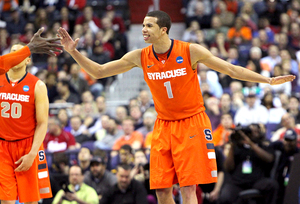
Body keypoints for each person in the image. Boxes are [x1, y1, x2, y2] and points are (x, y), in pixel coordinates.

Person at [58, 10, 295, 204]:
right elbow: (99, 71)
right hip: (163, 125)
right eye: (142, 25)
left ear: (164, 30)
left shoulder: (189, 51)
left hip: (191, 121)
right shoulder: (140, 56)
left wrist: (267, 80)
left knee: (187, 188)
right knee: (161, 190)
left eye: (149, 26)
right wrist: (73, 52)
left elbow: (232, 70)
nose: (143, 29)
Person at [0, 43, 52, 203]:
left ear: (28, 60)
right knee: (6, 200)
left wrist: (32, 154)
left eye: (21, 53)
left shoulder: (38, 85)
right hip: (2, 146)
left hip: (26, 146)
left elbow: (43, 123)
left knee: (30, 200)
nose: (16, 56)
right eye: (13, 52)